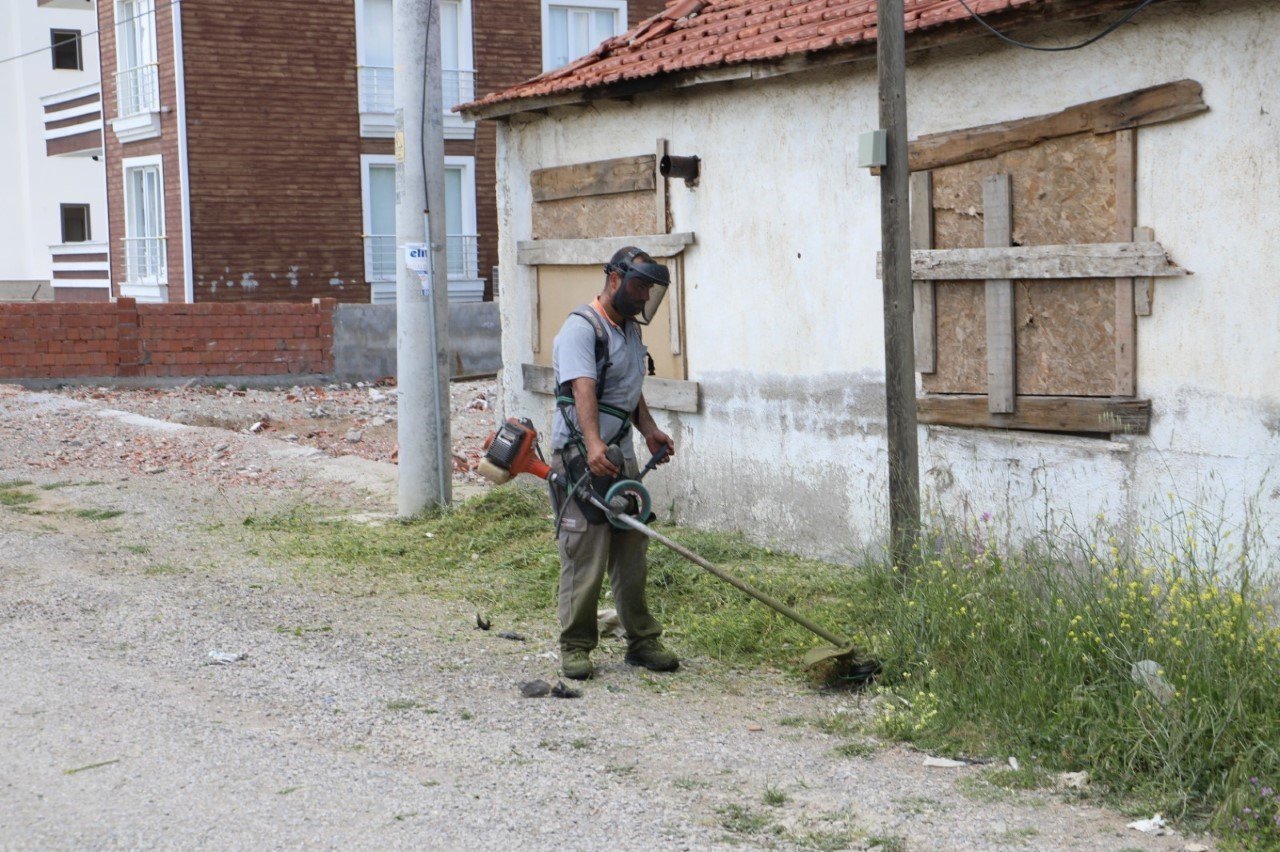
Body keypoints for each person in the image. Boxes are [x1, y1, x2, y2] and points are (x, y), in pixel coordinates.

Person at [549, 246, 679, 681]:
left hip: (619, 454)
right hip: (581, 458)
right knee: (585, 552)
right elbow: (583, 387)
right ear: (614, 280)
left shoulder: (628, 330)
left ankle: (641, 640)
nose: (645, 297)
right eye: (640, 286)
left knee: (631, 550)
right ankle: (576, 645)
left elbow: (628, 385)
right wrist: (592, 444)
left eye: (649, 289)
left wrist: (649, 430)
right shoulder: (581, 329)